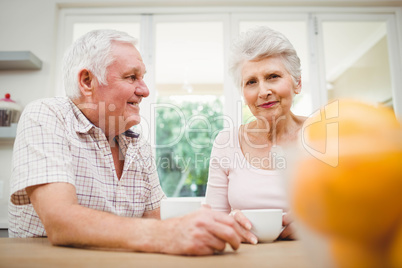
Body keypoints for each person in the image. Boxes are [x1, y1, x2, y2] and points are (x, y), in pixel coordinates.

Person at [8, 29, 256, 255]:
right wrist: (167, 233)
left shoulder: (137, 145)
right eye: (131, 77)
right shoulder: (46, 116)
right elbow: (60, 221)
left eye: (143, 77)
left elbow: (157, 220)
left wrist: (220, 225)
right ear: (87, 82)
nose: (145, 90)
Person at [205, 26, 306, 240]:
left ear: (297, 83)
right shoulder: (226, 142)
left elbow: (361, 215)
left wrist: (317, 225)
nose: (263, 92)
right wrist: (229, 224)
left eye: (273, 76)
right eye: (251, 82)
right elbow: (212, 223)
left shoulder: (323, 136)